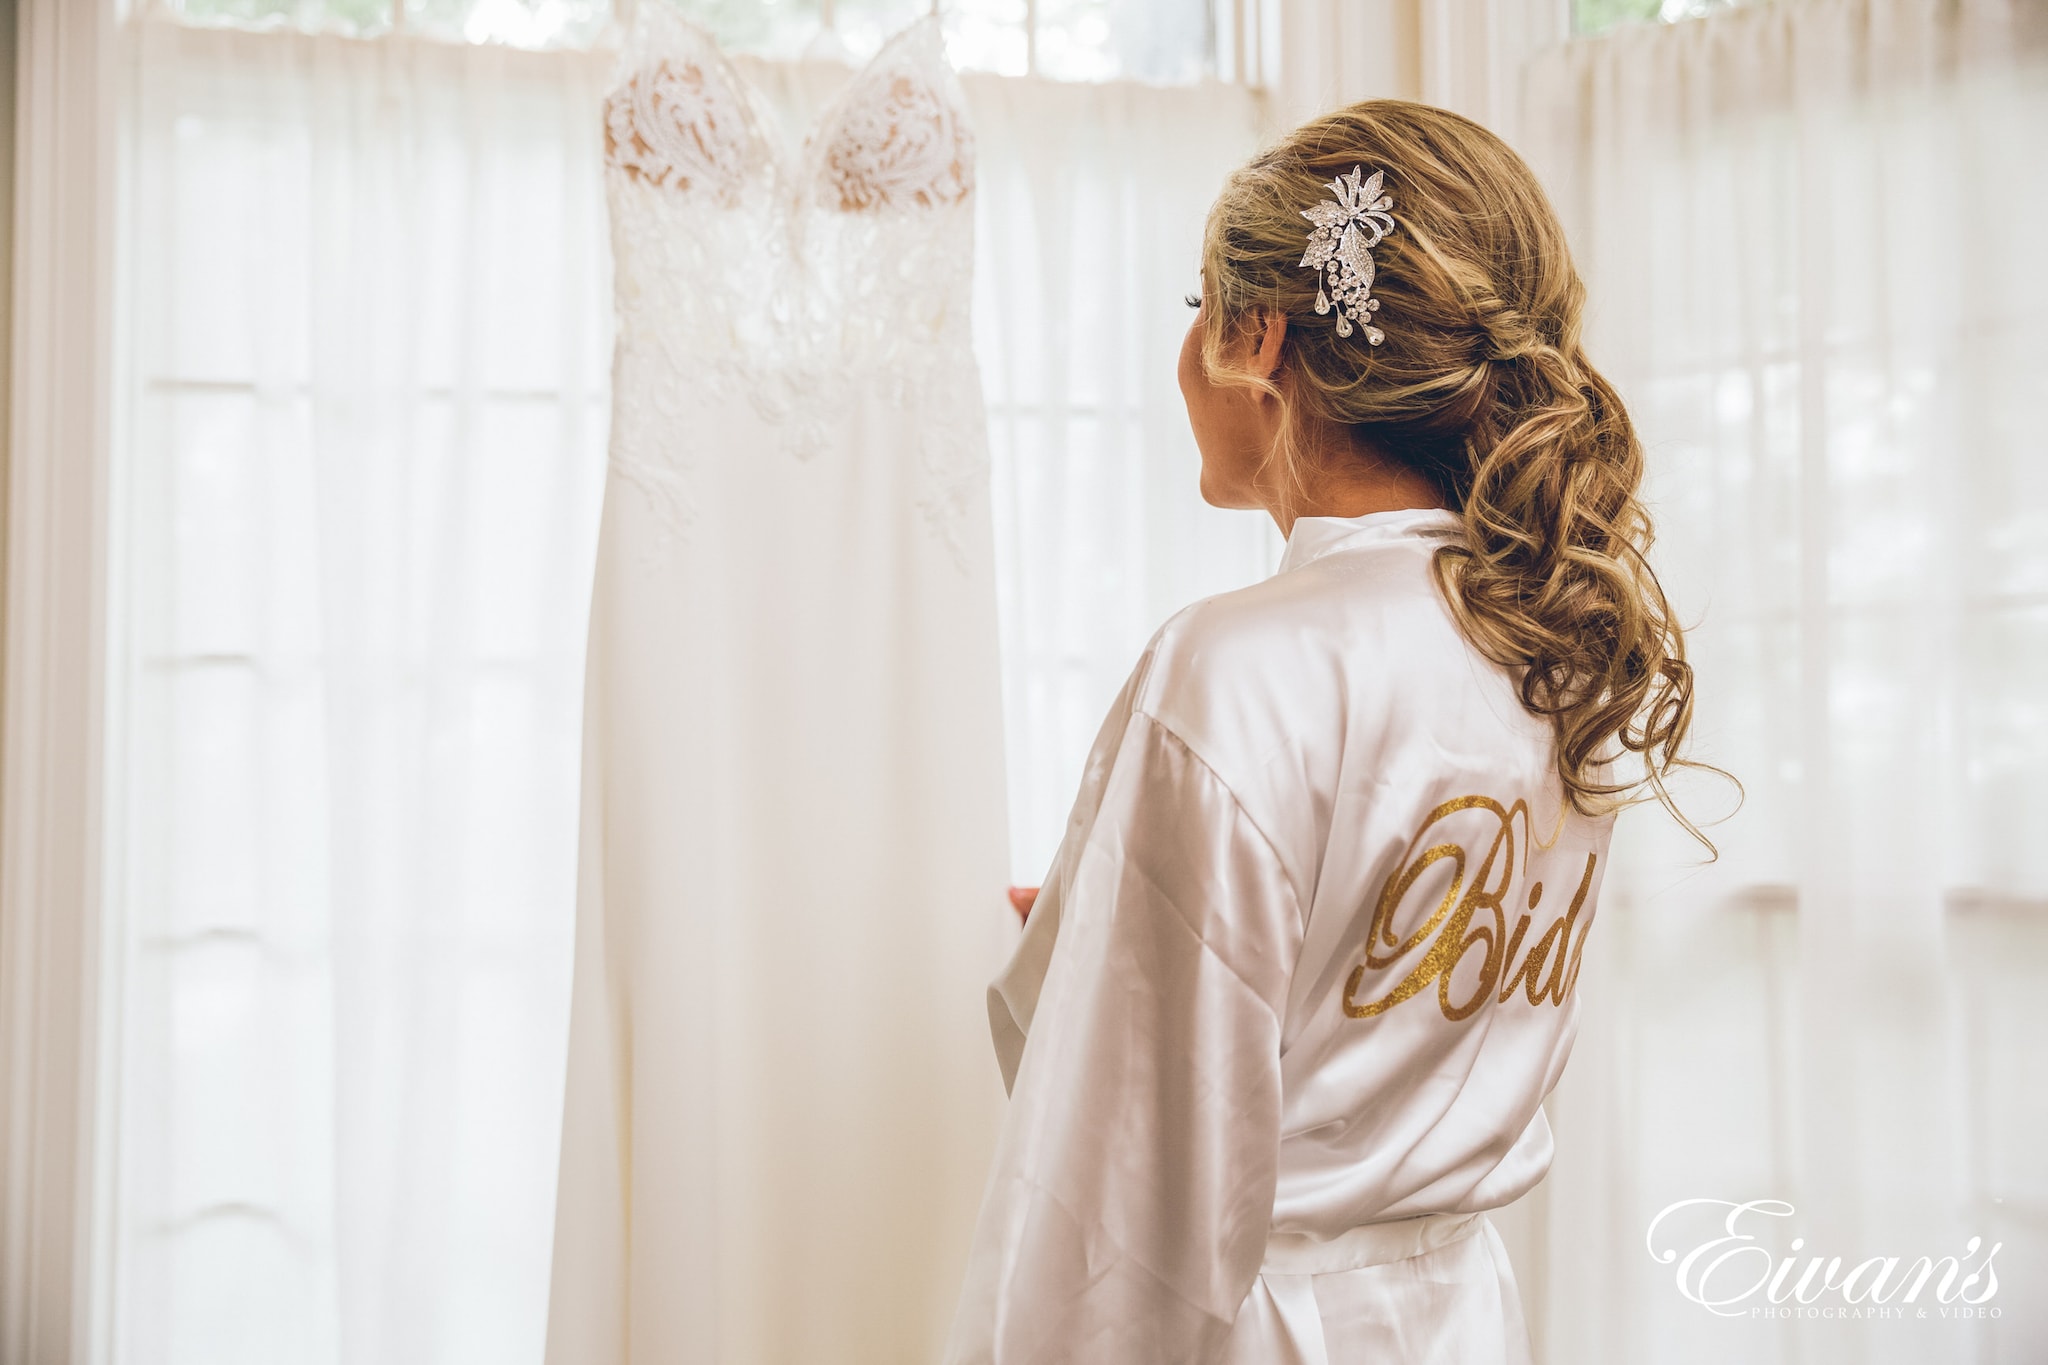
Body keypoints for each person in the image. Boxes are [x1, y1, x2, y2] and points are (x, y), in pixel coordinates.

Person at [939, 99, 1702, 1364]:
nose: (1182, 351)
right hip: (1457, 1317)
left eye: (1196, 309)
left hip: (1262, 1327)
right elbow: (1365, 984)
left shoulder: (1242, 663)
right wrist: (1112, 906)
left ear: (1258, 336)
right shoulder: (1553, 643)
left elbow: (1128, 1195)